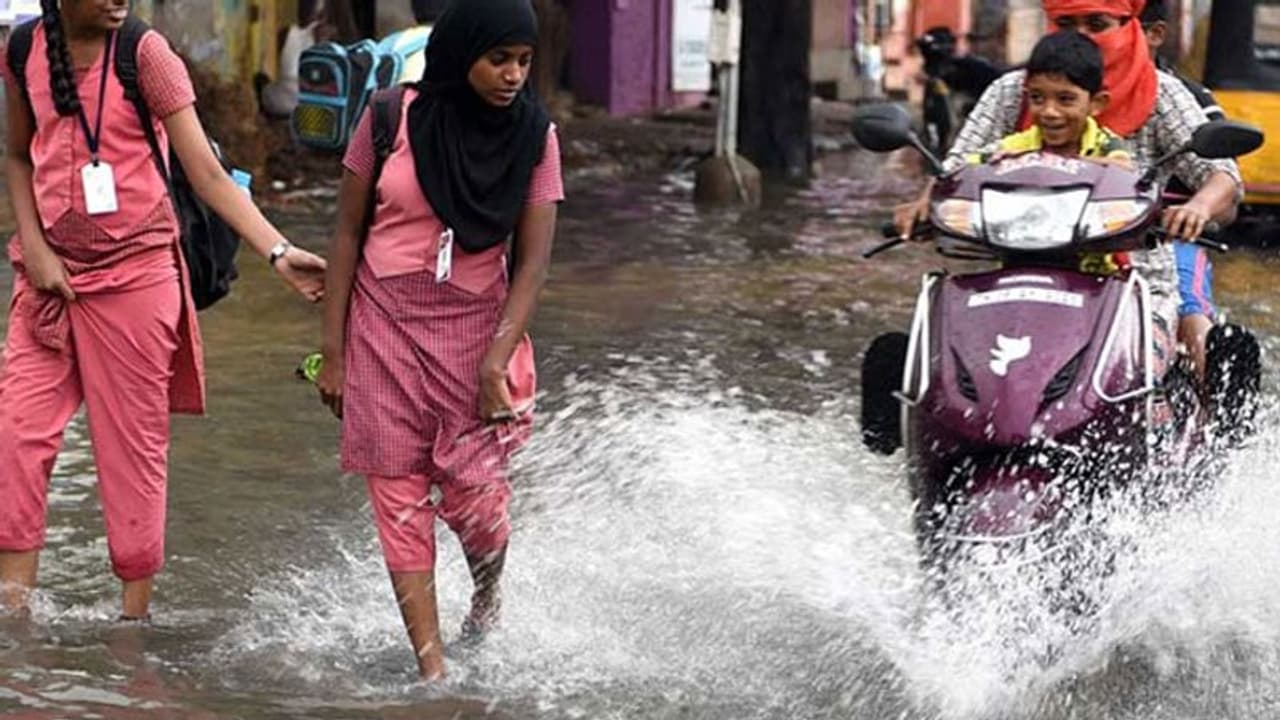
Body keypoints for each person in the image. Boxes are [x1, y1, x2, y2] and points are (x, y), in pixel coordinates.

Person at [0, 0, 327, 621]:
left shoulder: (146, 55)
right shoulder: (22, 51)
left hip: (135, 279)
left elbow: (207, 174)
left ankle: (133, 626)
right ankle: (13, 625)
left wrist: (278, 253)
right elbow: (18, 155)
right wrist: (36, 250)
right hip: (48, 282)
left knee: (131, 456)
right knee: (14, 441)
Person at [315, 0, 563, 680]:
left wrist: (495, 362)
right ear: (459, 53)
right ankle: (432, 669)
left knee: (477, 501)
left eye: (524, 61)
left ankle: (485, 595)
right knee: (398, 500)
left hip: (477, 334)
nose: (513, 75)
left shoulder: (534, 136)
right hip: (382, 330)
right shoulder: (388, 117)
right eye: (498, 59)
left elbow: (533, 264)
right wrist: (333, 352)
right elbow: (346, 234)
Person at [893, 0, 1243, 383]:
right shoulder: (1012, 90)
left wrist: (1198, 207)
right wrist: (926, 205)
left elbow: (1222, 175)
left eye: (1096, 23)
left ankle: (1217, 410)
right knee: (939, 356)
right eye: (1066, 23)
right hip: (1011, 266)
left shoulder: (1161, 93)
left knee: (1186, 337)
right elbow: (958, 167)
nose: (1050, 111)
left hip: (1133, 274)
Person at [1141, 0, 1222, 378]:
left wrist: (1194, 211)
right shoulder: (1064, 94)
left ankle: (1218, 402)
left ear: (1154, 34)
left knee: (1189, 310)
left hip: (1166, 239)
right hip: (1080, 238)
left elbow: (1226, 189)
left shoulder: (1189, 99)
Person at [257, 0, 334, 119]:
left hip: (275, 103)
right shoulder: (328, 47)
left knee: (260, 79)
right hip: (304, 113)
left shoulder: (287, 33)